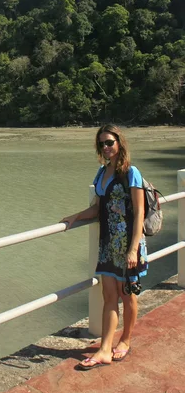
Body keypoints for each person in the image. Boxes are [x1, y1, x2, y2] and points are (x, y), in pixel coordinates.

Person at [61, 124, 148, 370]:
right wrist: (75, 216)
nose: (106, 147)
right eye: (102, 144)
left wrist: (133, 249)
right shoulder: (101, 173)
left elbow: (139, 211)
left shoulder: (131, 172)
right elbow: (97, 208)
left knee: (127, 295)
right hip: (108, 244)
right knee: (108, 296)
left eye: (109, 142)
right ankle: (104, 349)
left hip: (129, 244)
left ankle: (126, 340)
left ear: (120, 142)